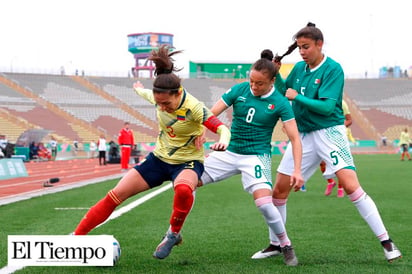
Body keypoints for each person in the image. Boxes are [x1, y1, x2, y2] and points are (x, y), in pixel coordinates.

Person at [252, 23, 402, 263]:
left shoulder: (333, 69)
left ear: (319, 45)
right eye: (300, 47)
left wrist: (297, 96)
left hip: (329, 132)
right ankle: (276, 243)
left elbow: (327, 107)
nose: (302, 52)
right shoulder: (299, 68)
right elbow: (284, 92)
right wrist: (278, 77)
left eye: (306, 47)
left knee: (351, 185)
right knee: (279, 190)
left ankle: (386, 241)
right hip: (303, 135)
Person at [71, 45, 231, 261]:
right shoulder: (158, 97)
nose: (162, 107)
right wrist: (137, 87)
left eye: (166, 103)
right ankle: (75, 239)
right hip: (158, 159)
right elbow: (146, 93)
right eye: (158, 104)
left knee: (183, 190)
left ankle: (173, 234)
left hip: (188, 162)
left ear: (178, 93)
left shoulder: (194, 107)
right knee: (115, 195)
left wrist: (222, 142)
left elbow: (222, 128)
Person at [198, 51, 304, 266]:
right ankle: (173, 233)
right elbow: (211, 114)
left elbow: (295, 138)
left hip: (256, 156)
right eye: (252, 81)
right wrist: (201, 130)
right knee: (187, 181)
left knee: (265, 204)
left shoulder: (281, 103)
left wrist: (297, 170)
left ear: (272, 81)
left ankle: (284, 244)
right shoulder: (240, 89)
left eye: (260, 84)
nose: (254, 87)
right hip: (228, 152)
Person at [323, 99, 352, 198]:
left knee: (340, 164)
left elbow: (349, 120)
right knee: (322, 162)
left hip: (338, 138)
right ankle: (330, 182)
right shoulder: (321, 101)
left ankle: (340, 188)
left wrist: (339, 127)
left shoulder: (342, 103)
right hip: (324, 136)